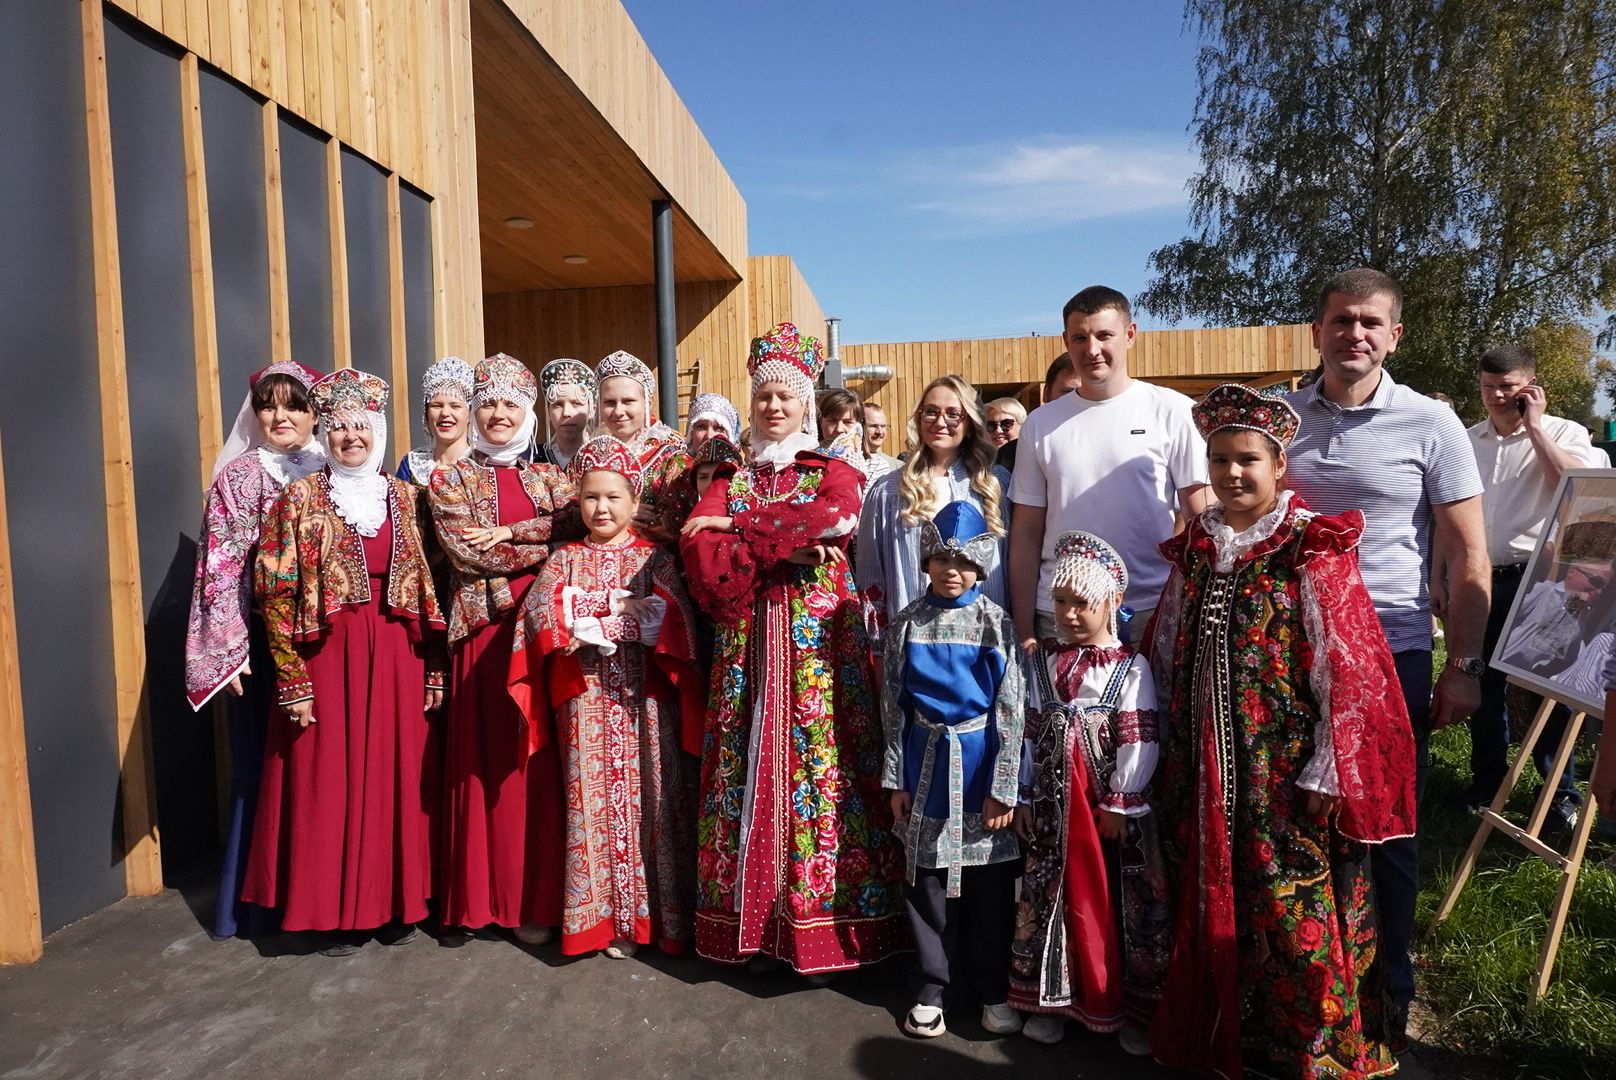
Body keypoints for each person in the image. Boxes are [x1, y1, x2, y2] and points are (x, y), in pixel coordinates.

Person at [1147, 382, 1416, 1078]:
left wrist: (1332, 763)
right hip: (1204, 763)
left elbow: (1346, 662)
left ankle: (1312, 1048)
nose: (1233, 473)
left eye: (1247, 460)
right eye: (1220, 459)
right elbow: (1170, 642)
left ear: (1277, 465)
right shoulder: (1198, 547)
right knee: (1209, 893)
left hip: (1283, 767)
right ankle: (1227, 1033)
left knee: (1289, 900)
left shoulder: (1308, 546)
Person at [1282, 269, 1489, 1050]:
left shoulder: (1433, 424)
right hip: (1291, 654)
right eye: (1341, 320)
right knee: (1296, 821)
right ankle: (1305, 979)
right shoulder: (1283, 419)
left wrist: (1463, 666)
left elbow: (1470, 556)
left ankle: (1388, 989)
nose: (1354, 335)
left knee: (1388, 831)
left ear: (1394, 335)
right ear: (1318, 330)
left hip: (1392, 653)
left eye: (1370, 322)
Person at [679, 322, 907, 975]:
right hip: (748, 650)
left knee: (823, 776)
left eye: (786, 397)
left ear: (808, 403)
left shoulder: (833, 469)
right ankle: (752, 928)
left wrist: (742, 528)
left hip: (818, 655)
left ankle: (826, 927)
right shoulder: (731, 474)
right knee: (746, 771)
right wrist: (782, 543)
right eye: (764, 397)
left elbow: (835, 519)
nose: (774, 407)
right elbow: (699, 544)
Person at [243, 369, 447, 956]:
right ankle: (331, 910)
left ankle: (394, 902)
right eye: (340, 427)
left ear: (379, 431)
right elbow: (273, 591)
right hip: (326, 658)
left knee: (396, 776)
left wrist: (436, 668)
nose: (351, 436)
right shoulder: (298, 500)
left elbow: (436, 586)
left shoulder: (410, 500)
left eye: (363, 425)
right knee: (325, 778)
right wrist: (292, 679)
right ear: (325, 434)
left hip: (398, 658)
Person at [508, 436, 703, 959]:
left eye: (613, 498)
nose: (601, 507)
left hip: (646, 705)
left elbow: (679, 621)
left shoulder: (655, 559)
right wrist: (590, 617)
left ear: (633, 503)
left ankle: (655, 918)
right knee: (590, 804)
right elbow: (539, 616)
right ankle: (602, 920)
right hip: (587, 702)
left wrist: (637, 624)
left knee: (654, 803)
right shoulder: (565, 558)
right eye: (591, 497)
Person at [430, 354, 579, 948]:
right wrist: (546, 544)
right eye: (488, 403)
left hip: (539, 636)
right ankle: (474, 900)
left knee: (532, 765)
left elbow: (582, 528)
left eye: (511, 405)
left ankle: (531, 899)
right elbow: (470, 555)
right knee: (484, 763)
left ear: (528, 413)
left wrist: (519, 533)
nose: (498, 414)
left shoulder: (551, 479)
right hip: (484, 636)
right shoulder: (451, 479)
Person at [1009, 532, 1168, 1055]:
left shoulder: (1129, 668)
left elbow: (1138, 736)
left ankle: (1127, 1008)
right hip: (1055, 808)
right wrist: (1025, 793)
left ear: (1113, 604)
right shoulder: (1042, 663)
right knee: (1053, 894)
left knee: (1116, 899)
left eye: (1083, 603)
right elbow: (1030, 729)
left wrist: (1122, 799)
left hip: (1104, 812)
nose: (1070, 614)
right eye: (1061, 602)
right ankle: (1050, 1001)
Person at [1435, 343, 1608, 818]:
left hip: (1539, 580)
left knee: (1544, 692)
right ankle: (1487, 784)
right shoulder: (1467, 440)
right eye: (1487, 387)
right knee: (1480, 685)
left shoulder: (1564, 433)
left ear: (1529, 386)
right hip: (1475, 580)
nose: (1495, 396)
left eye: (1506, 387)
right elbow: (1444, 514)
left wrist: (1534, 427)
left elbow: (1579, 492)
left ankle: (1558, 796)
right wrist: (1438, 575)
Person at [185, 360, 324, 939]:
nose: (281, 416)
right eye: (269, 405)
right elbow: (218, 568)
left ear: (315, 412)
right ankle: (259, 903)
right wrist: (229, 648)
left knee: (319, 767)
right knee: (262, 764)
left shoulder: (335, 466)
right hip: (262, 645)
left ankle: (321, 891)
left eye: (294, 404)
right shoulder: (239, 479)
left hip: (322, 641)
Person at [882, 501, 1025, 1040]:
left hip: (980, 765)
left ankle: (991, 986)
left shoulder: (995, 623)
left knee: (989, 884)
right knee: (927, 881)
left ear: (981, 568)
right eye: (941, 559)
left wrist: (1004, 787)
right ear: (926, 563)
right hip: (925, 767)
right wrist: (895, 777)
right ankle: (931, 986)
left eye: (963, 563)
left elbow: (1011, 708)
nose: (951, 571)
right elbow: (892, 703)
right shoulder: (908, 623)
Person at [1009, 287, 1209, 655]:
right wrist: (1024, 629)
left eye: (1104, 335)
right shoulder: (1040, 424)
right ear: (1066, 341)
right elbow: (1026, 531)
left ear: (1130, 334)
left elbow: (1202, 518)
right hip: (1059, 612)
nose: (1092, 349)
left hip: (1151, 611)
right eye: (1080, 338)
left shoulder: (1175, 411)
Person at [858, 376, 1009, 664]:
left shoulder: (995, 485)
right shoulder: (888, 490)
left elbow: (1014, 566)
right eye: (931, 411)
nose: (941, 422)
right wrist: (878, 654)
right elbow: (871, 578)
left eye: (953, 414)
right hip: (914, 650)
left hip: (983, 648)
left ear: (969, 422)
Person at [596, 350, 684, 539]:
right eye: (610, 402)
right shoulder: (590, 456)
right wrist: (621, 519)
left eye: (628, 401)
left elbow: (680, 523)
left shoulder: (673, 457)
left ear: (647, 402)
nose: (618, 411)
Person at [656, 392, 742, 538]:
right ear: (691, 433)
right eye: (701, 427)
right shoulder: (678, 472)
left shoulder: (744, 478)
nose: (709, 435)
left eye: (719, 428)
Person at [397, 357, 475, 484]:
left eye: (455, 406)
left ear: (470, 414)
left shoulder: (482, 465)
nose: (445, 413)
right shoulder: (412, 466)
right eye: (436, 406)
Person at [996, 354, 1077, 474]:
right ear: (1046, 393)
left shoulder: (1109, 445)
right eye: (1067, 392)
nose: (1077, 399)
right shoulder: (1011, 455)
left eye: (1085, 392)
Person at [533, 357, 597, 470]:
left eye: (576, 403)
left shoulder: (601, 458)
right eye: (558, 405)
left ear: (592, 409)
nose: (566, 413)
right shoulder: (532, 458)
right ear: (548, 410)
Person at [862, 402, 902, 480]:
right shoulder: (851, 463)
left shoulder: (898, 467)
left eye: (883, 426)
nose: (879, 432)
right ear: (860, 426)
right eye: (873, 426)